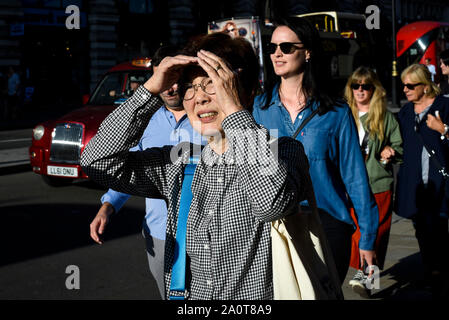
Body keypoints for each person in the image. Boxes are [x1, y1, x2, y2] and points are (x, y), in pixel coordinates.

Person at [81, 32, 314, 300]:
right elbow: (96, 161)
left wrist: (234, 111)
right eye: (190, 87)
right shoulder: (180, 163)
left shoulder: (283, 152)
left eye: (213, 84)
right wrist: (149, 91)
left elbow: (270, 203)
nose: (199, 98)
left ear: (247, 93)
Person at [252, 17, 379, 285]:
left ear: (307, 52)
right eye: (272, 46)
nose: (277, 53)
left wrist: (367, 238)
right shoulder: (258, 109)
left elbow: (355, 177)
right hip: (276, 227)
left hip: (327, 226)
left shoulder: (336, 111)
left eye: (286, 47)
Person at [89, 45, 203, 299]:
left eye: (176, 80)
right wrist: (108, 205)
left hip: (203, 234)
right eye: (163, 81)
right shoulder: (146, 121)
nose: (171, 88)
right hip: (160, 234)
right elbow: (127, 169)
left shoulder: (208, 117)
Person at [344, 66, 403, 296]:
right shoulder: (345, 113)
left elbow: (399, 146)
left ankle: (369, 279)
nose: (360, 90)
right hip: (351, 184)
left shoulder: (384, 116)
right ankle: (367, 275)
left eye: (365, 86)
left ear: (373, 89)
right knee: (356, 232)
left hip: (378, 182)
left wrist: (390, 151)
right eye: (355, 85)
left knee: (377, 232)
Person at [395, 63, 449, 298]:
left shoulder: (444, 106)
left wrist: (443, 128)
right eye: (403, 85)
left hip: (440, 183)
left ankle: (438, 273)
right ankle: (432, 270)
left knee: (438, 229)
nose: (405, 90)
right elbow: (400, 144)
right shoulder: (406, 112)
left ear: (425, 87)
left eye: (410, 85)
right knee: (421, 229)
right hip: (415, 184)